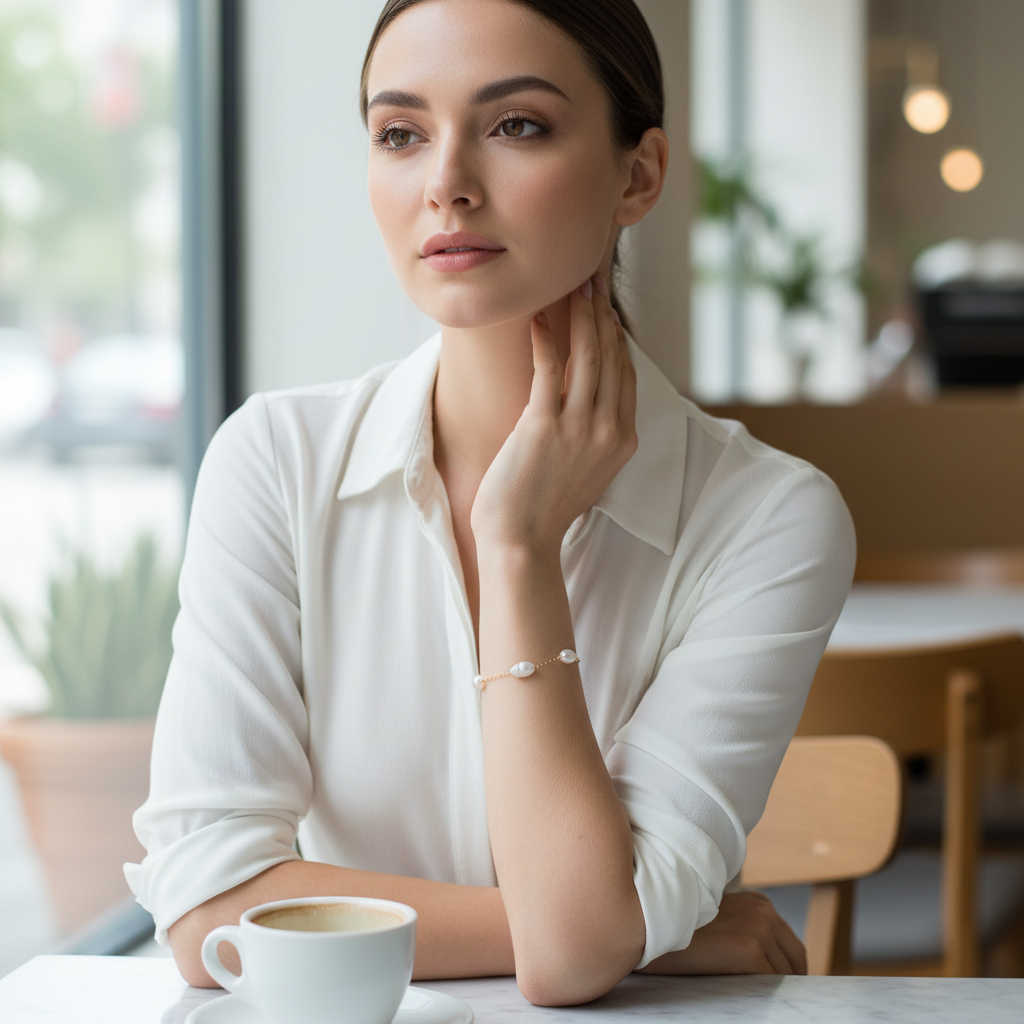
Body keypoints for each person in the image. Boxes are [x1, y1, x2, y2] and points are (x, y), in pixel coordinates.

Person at [126, 0, 855, 1006]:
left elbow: (567, 967)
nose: (446, 186)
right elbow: (209, 910)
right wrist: (626, 928)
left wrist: (517, 545)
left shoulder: (769, 518)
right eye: (400, 134)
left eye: (516, 126)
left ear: (637, 175)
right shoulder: (275, 461)